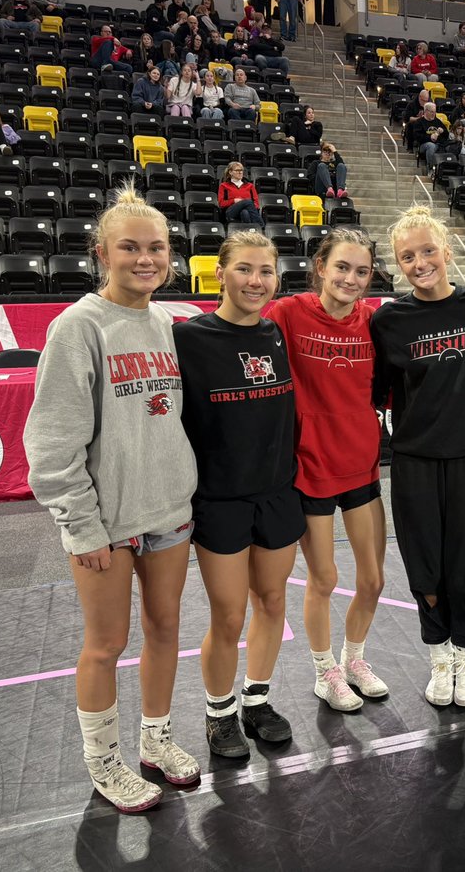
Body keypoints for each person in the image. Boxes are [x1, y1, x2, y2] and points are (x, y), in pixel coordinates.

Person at [23, 185, 200, 813]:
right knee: (106, 643)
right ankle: (105, 762)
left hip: (170, 515)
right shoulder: (77, 328)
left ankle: (155, 741)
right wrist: (83, 525)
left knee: (165, 629)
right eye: (130, 247)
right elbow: (50, 445)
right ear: (103, 253)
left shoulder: (165, 323)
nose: (145, 258)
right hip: (108, 525)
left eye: (156, 248)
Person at [171, 232, 304, 758]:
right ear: (220, 273)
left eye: (266, 271)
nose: (257, 280)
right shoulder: (188, 338)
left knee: (272, 602)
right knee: (227, 616)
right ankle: (219, 712)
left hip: (276, 493)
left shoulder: (276, 334)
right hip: (219, 500)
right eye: (245, 269)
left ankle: (256, 700)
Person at [371, 206, 465, 708]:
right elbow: (378, 390)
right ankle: (439, 656)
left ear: (447, 251)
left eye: (428, 250)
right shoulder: (388, 320)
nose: (419, 262)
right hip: (415, 460)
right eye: (408, 256)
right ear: (398, 264)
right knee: (424, 564)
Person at [265, 228, 389, 714]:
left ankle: (354, 658)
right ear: (320, 266)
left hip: (362, 465)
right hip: (310, 467)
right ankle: (324, 671)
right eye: (342, 267)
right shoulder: (289, 313)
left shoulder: (374, 321)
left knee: (374, 579)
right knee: (323, 579)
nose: (351, 279)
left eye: (361, 271)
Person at [411, 102, 448, 169]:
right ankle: (430, 168)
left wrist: (443, 131)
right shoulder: (419, 122)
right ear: (426, 111)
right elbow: (417, 136)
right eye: (431, 112)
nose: (433, 114)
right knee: (431, 146)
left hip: (439, 143)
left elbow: (447, 134)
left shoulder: (437, 121)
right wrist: (430, 137)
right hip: (424, 145)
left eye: (434, 112)